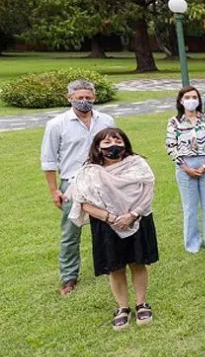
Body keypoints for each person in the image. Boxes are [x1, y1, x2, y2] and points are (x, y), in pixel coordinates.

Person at [66, 128, 157, 330]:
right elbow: (83, 202)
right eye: (106, 143)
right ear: (98, 147)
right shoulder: (89, 171)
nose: (112, 146)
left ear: (125, 143)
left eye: (117, 141)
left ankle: (142, 303)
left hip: (137, 219)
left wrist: (133, 215)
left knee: (138, 262)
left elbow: (148, 190)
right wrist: (112, 218)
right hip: (106, 224)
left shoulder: (138, 165)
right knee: (115, 267)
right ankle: (122, 308)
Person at [41, 79, 116, 296]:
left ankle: (111, 265)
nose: (84, 101)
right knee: (70, 232)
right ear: (70, 98)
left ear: (94, 97)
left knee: (107, 225)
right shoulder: (57, 124)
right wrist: (54, 190)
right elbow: (48, 160)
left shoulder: (106, 120)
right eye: (79, 97)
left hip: (103, 180)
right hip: (72, 183)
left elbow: (115, 149)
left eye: (88, 97)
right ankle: (69, 277)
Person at [166, 86, 205, 253]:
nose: (191, 100)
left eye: (194, 97)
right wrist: (185, 167)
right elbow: (170, 146)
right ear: (181, 101)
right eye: (187, 97)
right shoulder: (174, 122)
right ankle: (192, 243)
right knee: (189, 208)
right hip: (185, 167)